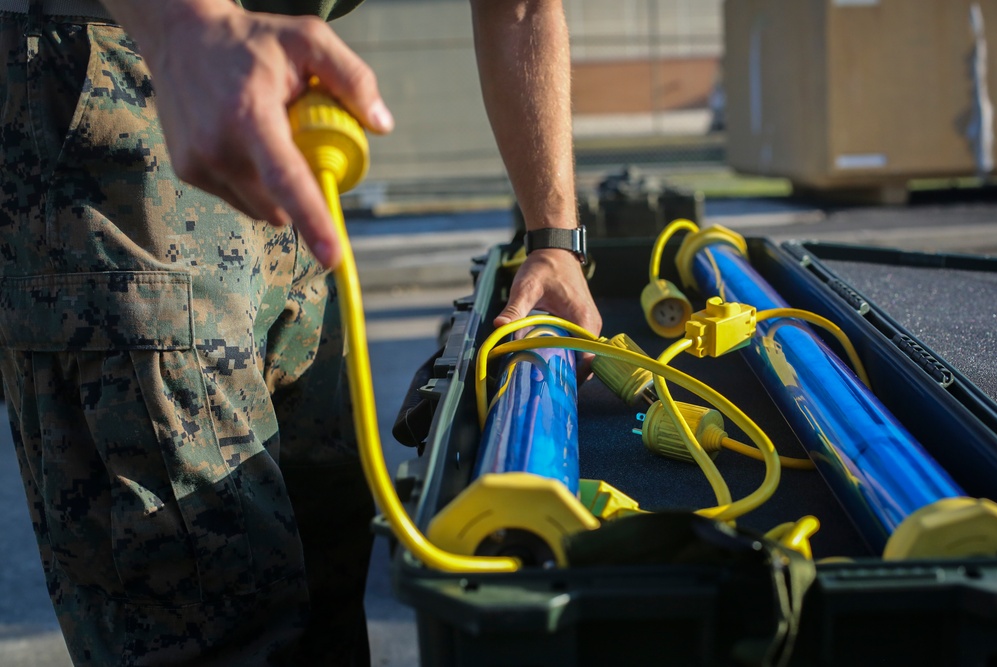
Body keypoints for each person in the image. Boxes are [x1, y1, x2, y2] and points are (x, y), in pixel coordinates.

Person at [0, 0, 601, 664]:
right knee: (210, 606)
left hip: (273, 90)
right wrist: (182, 27)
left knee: (326, 552)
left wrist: (554, 238)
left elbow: (517, 8)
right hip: (117, 68)